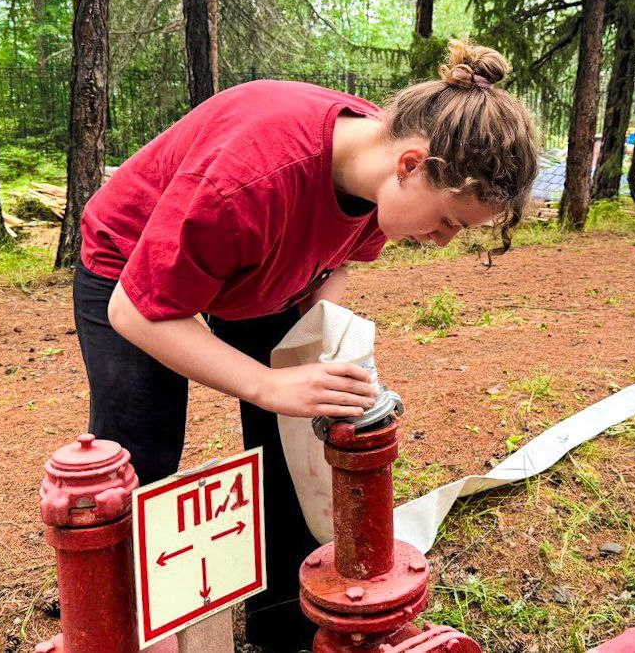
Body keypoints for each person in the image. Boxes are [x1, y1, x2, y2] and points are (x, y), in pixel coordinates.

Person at [72, 38, 539, 651]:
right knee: (143, 449)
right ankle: (110, 617)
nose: (444, 240)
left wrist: (314, 346)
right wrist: (267, 382)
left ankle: (285, 625)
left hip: (253, 268)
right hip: (132, 266)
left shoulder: (380, 181)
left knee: (291, 446)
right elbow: (137, 311)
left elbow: (334, 260)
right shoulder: (251, 180)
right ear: (410, 164)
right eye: (449, 221)